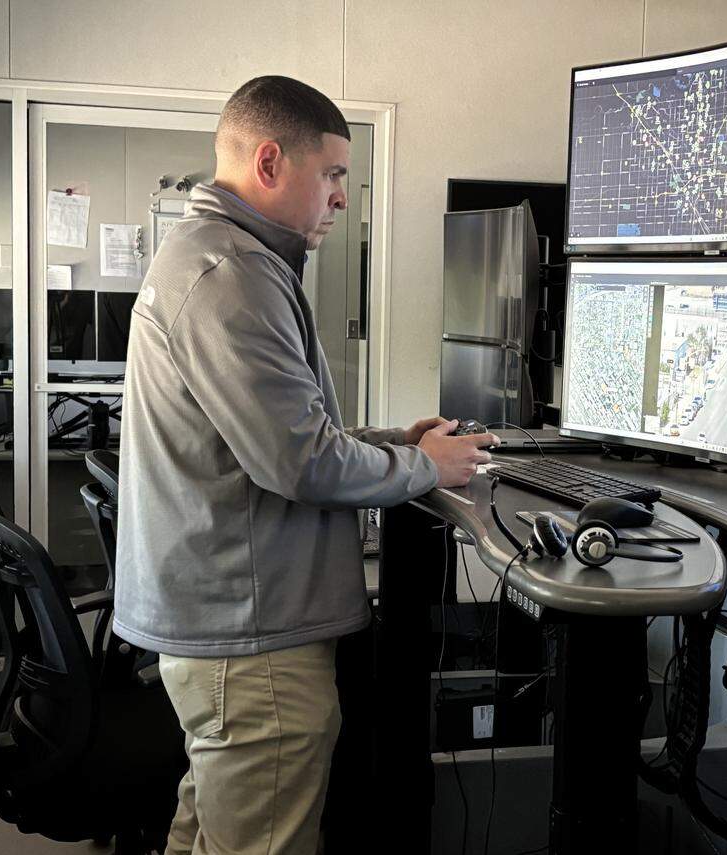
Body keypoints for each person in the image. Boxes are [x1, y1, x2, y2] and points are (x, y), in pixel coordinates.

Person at [114, 75, 497, 855]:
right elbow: (301, 464)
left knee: (209, 830)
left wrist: (399, 443)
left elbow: (280, 431)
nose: (342, 198)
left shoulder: (221, 257)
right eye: (331, 175)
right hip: (251, 640)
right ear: (268, 163)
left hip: (230, 624)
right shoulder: (232, 275)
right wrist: (425, 468)